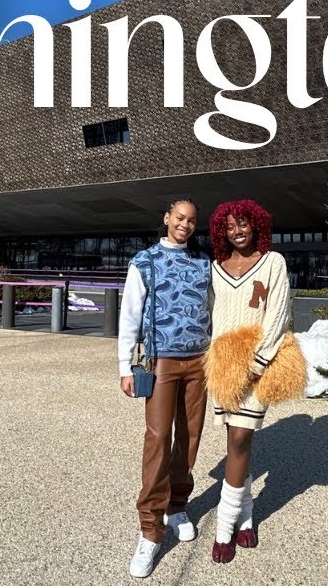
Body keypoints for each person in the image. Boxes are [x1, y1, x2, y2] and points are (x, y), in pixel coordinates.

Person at [203, 198, 306, 564]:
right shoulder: (215, 268)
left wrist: (259, 362)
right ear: (221, 231)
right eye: (230, 227)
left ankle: (224, 527)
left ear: (256, 224)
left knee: (242, 439)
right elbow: (210, 318)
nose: (237, 231)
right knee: (234, 442)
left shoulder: (273, 262)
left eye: (243, 224)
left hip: (256, 364)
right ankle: (246, 518)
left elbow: (278, 313)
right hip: (224, 367)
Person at [117, 197, 211, 579]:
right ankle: (150, 530)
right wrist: (125, 366)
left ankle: (177, 506)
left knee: (189, 437)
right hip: (162, 364)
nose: (185, 225)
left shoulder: (204, 263)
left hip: (200, 362)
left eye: (191, 220)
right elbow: (130, 315)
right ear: (167, 218)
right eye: (179, 217)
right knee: (158, 438)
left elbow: (216, 310)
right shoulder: (145, 262)